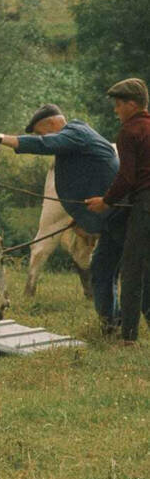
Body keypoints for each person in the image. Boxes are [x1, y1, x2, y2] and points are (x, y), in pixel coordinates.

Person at [0, 105, 123, 332]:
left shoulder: (75, 133)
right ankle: (113, 325)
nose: (42, 137)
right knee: (102, 270)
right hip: (111, 216)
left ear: (52, 124)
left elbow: (43, 145)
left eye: (41, 131)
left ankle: (123, 327)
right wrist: (78, 215)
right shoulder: (77, 136)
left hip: (120, 216)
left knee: (129, 272)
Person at [86, 78, 150, 345]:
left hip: (145, 203)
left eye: (118, 105)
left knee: (132, 269)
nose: (116, 110)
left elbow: (126, 178)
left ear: (132, 104)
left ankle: (128, 338)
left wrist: (106, 202)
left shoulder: (130, 131)